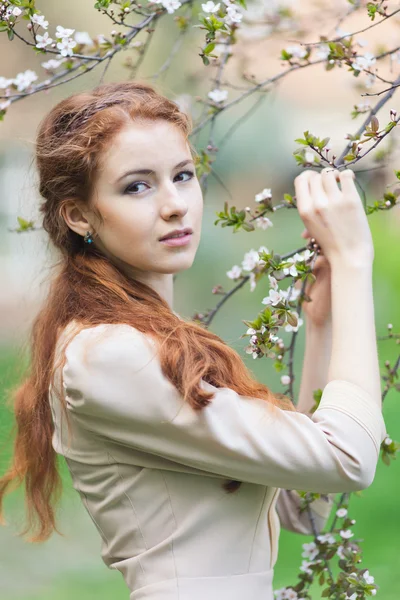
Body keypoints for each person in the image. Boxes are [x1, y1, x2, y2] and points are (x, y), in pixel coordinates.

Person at [0, 80, 386, 600]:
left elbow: (305, 497)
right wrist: (355, 262)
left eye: (182, 176)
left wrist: (322, 325)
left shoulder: (146, 339)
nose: (175, 204)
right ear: (79, 214)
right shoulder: (106, 356)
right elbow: (350, 459)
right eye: (138, 186)